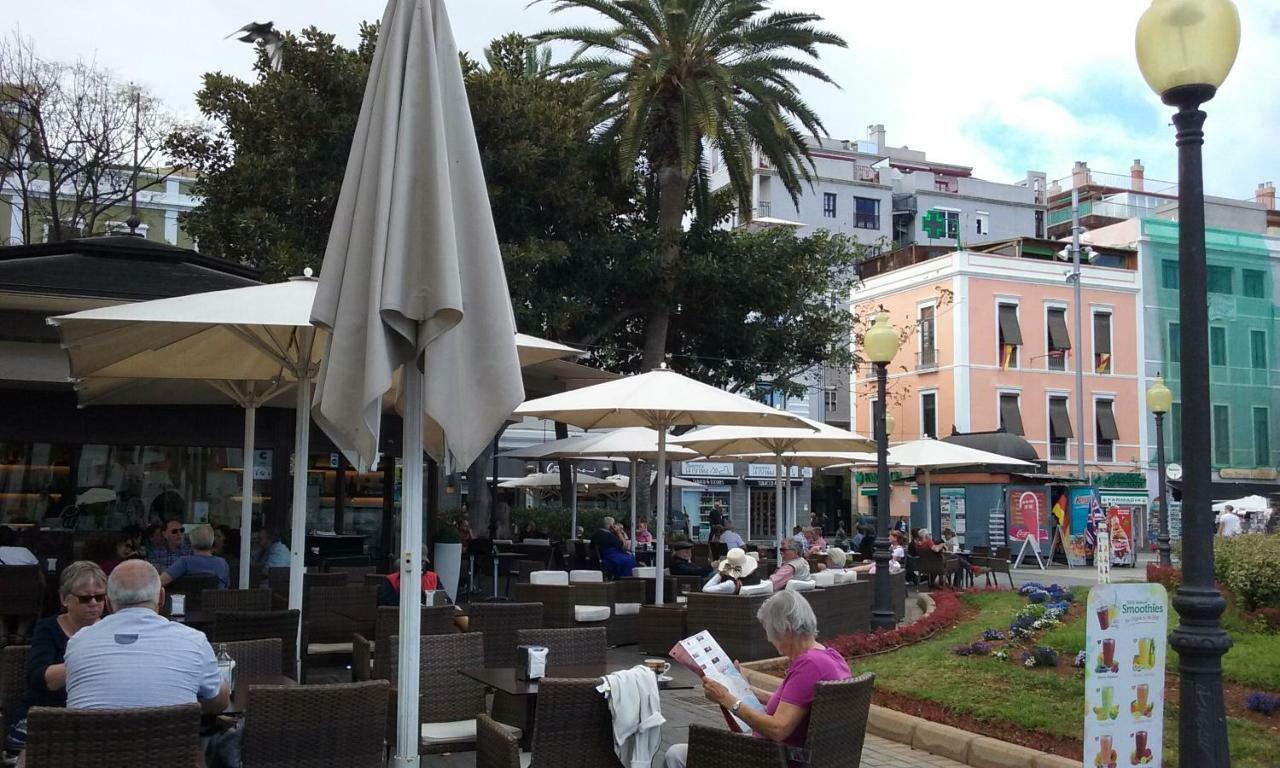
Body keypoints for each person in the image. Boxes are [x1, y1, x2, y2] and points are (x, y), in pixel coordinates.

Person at [663, 590, 851, 767]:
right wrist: (744, 688)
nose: (769, 639)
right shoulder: (829, 657)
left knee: (677, 755)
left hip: (776, 760)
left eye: (769, 631)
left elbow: (778, 729)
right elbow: (793, 703)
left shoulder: (809, 665)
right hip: (795, 757)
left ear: (785, 628)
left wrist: (726, 699)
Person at [64, 560, 229, 713]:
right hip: (171, 742)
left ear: (107, 602)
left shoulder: (78, 642)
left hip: (91, 743)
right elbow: (220, 702)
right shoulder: (193, 641)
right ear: (162, 598)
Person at [3, 561, 106, 755]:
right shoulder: (48, 629)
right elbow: (39, 678)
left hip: (94, 716)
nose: (94, 603)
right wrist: (88, 664)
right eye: (85, 598)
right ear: (65, 599)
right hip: (47, 715)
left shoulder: (111, 630)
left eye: (100, 597)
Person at [161, 525, 230, 589]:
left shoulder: (185, 562)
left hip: (188, 601)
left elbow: (160, 582)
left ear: (191, 543)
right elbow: (226, 588)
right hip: (216, 601)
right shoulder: (222, 563)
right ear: (212, 542)